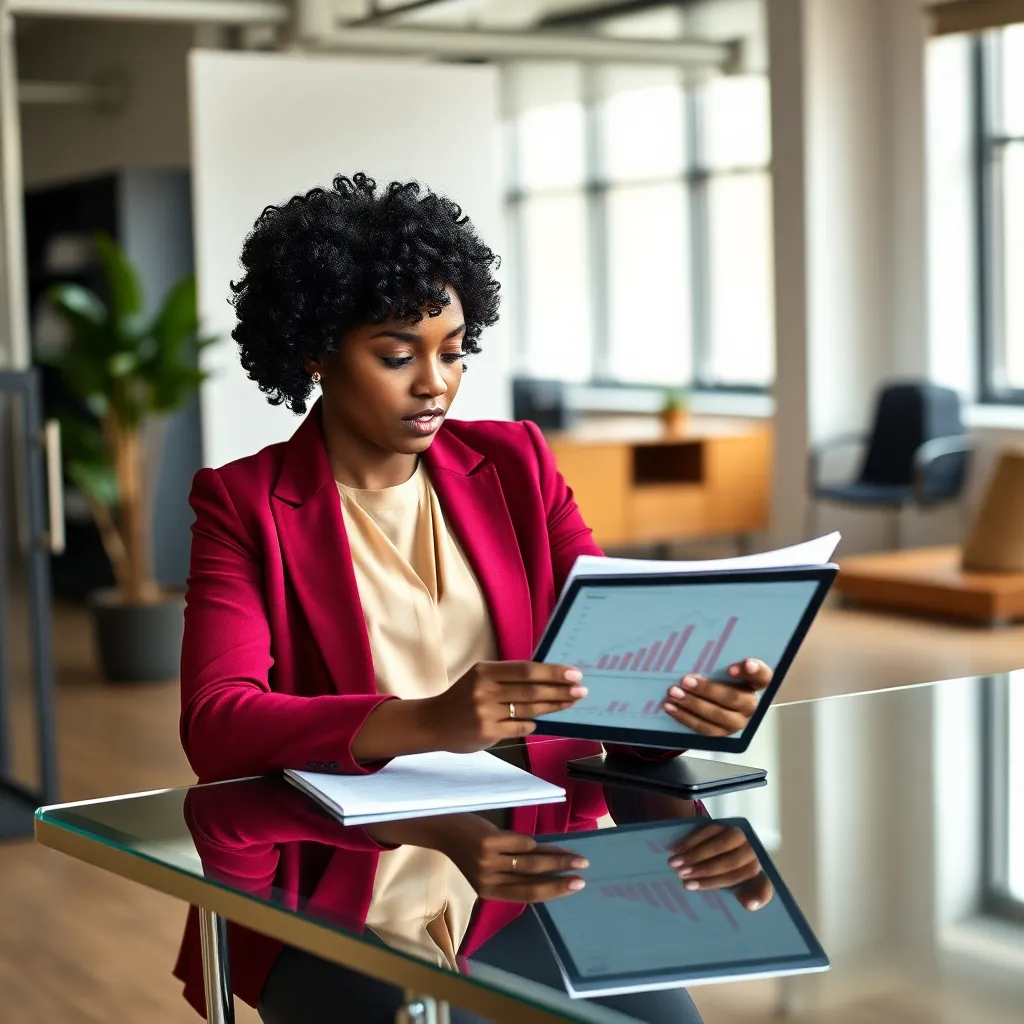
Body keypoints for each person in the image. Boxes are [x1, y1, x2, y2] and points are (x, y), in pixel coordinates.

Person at [177, 172, 772, 1022]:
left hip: (525, 874)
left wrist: (680, 703)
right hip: (340, 889)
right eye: (397, 355)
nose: (436, 383)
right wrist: (425, 720)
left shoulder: (518, 466)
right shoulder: (242, 504)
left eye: (454, 351)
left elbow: (607, 652)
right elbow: (218, 724)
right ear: (314, 350)